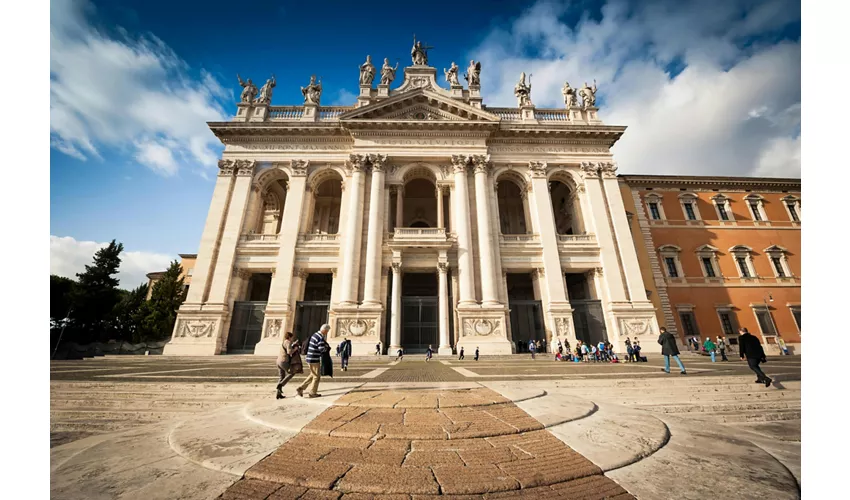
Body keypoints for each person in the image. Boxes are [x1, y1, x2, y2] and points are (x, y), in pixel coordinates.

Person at [295, 324, 330, 398]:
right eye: (327, 331)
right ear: (324, 330)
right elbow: (321, 349)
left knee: (313, 374)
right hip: (314, 359)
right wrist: (326, 348)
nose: (327, 333)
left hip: (309, 358)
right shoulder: (320, 337)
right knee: (316, 377)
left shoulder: (315, 335)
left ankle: (301, 388)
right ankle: (312, 393)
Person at [276, 332, 301, 399]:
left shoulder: (284, 342)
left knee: (281, 377)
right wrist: (295, 349)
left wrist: (293, 344)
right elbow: (289, 352)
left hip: (278, 361)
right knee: (292, 372)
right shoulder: (288, 342)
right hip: (284, 361)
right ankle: (281, 384)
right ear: (289, 337)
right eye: (292, 337)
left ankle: (278, 394)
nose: (292, 338)